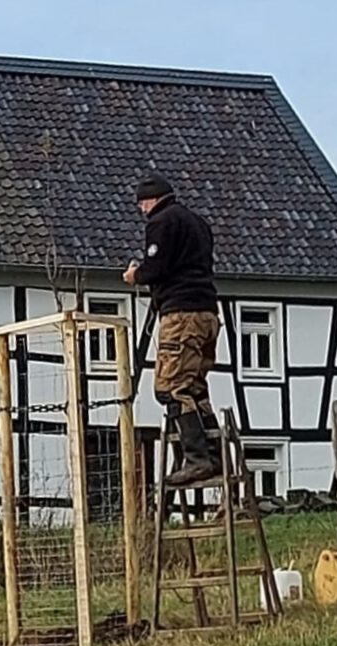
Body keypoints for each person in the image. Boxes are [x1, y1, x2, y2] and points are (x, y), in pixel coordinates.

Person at [123, 174, 223, 486]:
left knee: (170, 388)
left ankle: (198, 460)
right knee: (194, 388)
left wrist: (135, 275)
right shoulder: (198, 223)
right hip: (208, 313)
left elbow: (158, 267)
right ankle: (216, 456)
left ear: (152, 199)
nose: (141, 209)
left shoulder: (162, 222)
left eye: (142, 203)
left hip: (181, 315)